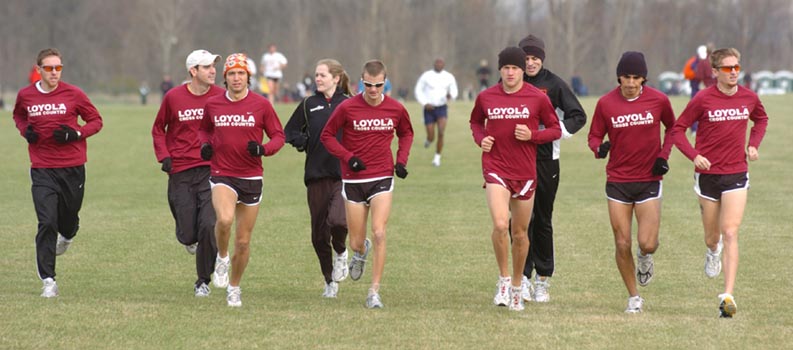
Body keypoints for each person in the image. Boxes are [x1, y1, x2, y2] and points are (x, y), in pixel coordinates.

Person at [671, 48, 768, 318]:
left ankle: (728, 296)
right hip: (708, 176)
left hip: (737, 172)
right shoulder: (702, 99)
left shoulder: (749, 97)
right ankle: (713, 251)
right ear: (714, 72)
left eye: (736, 66)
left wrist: (753, 144)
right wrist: (694, 155)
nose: (734, 72)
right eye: (727, 68)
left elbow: (761, 118)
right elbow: (677, 130)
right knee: (713, 237)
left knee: (731, 232)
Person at [469, 46, 561, 311]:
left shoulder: (537, 98)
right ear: (500, 70)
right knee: (500, 225)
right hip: (496, 167)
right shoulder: (486, 97)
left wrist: (532, 136)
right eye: (506, 68)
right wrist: (480, 139)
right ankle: (503, 280)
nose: (510, 72)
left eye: (515, 68)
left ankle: (518, 286)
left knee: (520, 234)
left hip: (525, 172)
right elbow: (476, 122)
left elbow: (554, 129)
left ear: (523, 70)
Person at [320, 59, 414, 309]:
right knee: (355, 242)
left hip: (382, 176)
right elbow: (326, 136)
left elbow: (406, 132)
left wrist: (401, 160)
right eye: (369, 85)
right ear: (361, 81)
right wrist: (348, 158)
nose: (373, 90)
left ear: (386, 82)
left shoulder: (396, 108)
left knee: (380, 232)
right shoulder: (347, 107)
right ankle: (361, 252)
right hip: (353, 180)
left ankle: (374, 292)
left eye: (378, 85)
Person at [587, 51, 676, 313]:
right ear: (619, 77)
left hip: (649, 178)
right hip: (618, 181)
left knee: (647, 242)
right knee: (622, 242)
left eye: (636, 77)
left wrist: (663, 156)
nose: (631, 82)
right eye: (626, 76)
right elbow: (593, 136)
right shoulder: (606, 104)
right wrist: (599, 148)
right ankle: (634, 297)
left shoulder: (658, 100)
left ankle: (645, 257)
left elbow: (673, 128)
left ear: (643, 79)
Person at [12, 48, 104, 297]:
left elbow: (96, 121)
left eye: (58, 68)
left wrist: (76, 134)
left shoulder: (74, 94)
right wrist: (26, 131)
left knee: (68, 219)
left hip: (73, 167)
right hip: (42, 168)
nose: (54, 72)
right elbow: (19, 116)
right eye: (49, 68)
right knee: (46, 222)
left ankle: (69, 233)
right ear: (39, 69)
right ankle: (48, 281)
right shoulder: (26, 95)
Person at [199, 53, 285, 307]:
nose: (236, 78)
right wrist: (205, 144)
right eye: (231, 74)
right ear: (225, 78)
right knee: (224, 219)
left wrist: (263, 149)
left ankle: (234, 287)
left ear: (249, 77)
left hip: (251, 176)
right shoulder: (213, 104)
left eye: (241, 73)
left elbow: (278, 136)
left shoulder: (261, 105)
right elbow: (204, 129)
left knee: (244, 241)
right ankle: (222, 257)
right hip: (222, 173)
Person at [515, 34, 588, 303]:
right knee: (521, 222)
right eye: (526, 58)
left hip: (546, 160)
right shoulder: (510, 81)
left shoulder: (553, 84)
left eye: (535, 58)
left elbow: (578, 116)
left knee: (542, 219)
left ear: (542, 59)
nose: (530, 63)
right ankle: (520, 278)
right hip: (516, 161)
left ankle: (542, 279)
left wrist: (554, 133)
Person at [152, 49, 225, 297]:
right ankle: (190, 241)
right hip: (180, 170)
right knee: (187, 232)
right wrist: (164, 156)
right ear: (193, 71)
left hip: (212, 170)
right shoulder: (173, 97)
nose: (213, 70)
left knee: (208, 225)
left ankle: (203, 280)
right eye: (206, 67)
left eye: (214, 66)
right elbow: (158, 129)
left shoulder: (221, 96)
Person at [284, 59, 352, 298]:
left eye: (322, 75)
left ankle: (342, 252)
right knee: (319, 235)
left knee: (339, 221)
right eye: (316, 75)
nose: (318, 79)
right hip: (315, 175)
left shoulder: (349, 103)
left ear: (336, 78)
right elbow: (289, 131)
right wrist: (300, 141)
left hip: (344, 174)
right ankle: (329, 280)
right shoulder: (308, 104)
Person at [414, 57, 458, 167]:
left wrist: (450, 96)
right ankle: (428, 140)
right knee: (431, 135)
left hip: (441, 108)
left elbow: (454, 90)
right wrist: (424, 103)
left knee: (441, 132)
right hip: (429, 109)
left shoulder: (448, 77)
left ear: (443, 65)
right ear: (434, 64)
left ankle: (437, 158)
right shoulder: (426, 76)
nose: (439, 65)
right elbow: (418, 90)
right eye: (437, 63)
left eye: (441, 63)